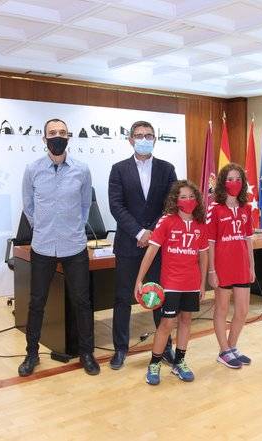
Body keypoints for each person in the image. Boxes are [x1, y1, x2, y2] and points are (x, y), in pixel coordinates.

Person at [18, 118, 99, 377]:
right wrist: (42, 227)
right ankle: (31, 354)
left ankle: (87, 353)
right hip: (42, 246)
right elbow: (29, 207)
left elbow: (85, 206)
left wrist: (72, 227)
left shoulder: (81, 170)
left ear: (68, 137)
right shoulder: (32, 169)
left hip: (74, 245)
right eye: (52, 133)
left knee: (82, 302)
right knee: (36, 303)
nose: (57, 136)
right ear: (44, 139)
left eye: (62, 132)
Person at [108, 120, 177, 370]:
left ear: (155, 139)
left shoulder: (167, 169)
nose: (144, 139)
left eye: (149, 135)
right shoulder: (119, 169)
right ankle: (120, 349)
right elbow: (116, 206)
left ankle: (165, 348)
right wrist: (139, 232)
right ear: (130, 140)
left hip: (158, 246)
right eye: (139, 135)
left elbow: (171, 205)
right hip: (128, 243)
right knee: (122, 298)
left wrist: (153, 233)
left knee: (159, 296)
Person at [135, 180, 208, 385]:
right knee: (167, 323)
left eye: (191, 196)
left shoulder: (200, 224)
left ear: (197, 199)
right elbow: (151, 251)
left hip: (192, 282)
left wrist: (202, 283)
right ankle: (154, 364)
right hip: (171, 283)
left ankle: (179, 362)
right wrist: (139, 280)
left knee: (186, 321)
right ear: (175, 200)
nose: (188, 200)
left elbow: (203, 255)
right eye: (183, 197)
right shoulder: (166, 221)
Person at [207, 163, 255, 369]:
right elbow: (210, 242)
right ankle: (224, 350)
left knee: (243, 310)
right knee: (222, 308)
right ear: (222, 182)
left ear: (243, 183)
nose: (234, 183)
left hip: (242, 265)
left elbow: (249, 239)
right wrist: (211, 270)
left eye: (238, 179)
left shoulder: (246, 208)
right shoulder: (214, 208)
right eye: (229, 179)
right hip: (222, 266)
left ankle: (231, 346)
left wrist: (252, 267)